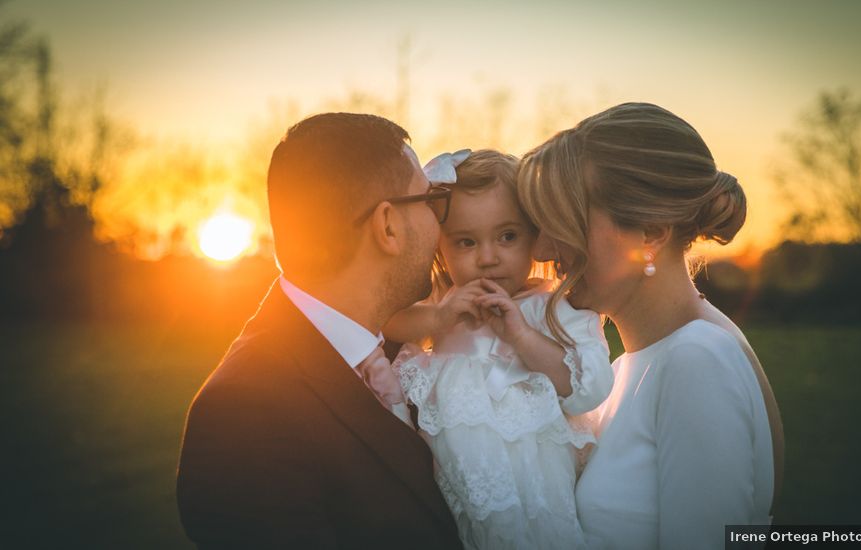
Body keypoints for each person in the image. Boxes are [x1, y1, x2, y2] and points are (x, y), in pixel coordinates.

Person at [176, 113, 462, 548]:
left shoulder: (402, 352)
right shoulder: (243, 415)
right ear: (387, 226)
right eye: (427, 201)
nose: (439, 224)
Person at [517, 102, 785, 550]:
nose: (542, 248)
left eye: (564, 223)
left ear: (650, 232)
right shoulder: (627, 366)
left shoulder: (697, 361)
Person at [384, 149, 615, 550]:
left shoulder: (553, 308)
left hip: (534, 486)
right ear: (441, 248)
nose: (488, 258)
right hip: (456, 486)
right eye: (466, 242)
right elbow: (386, 323)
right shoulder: (443, 304)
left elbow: (586, 389)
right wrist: (440, 318)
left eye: (508, 236)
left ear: (535, 235)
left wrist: (521, 336)